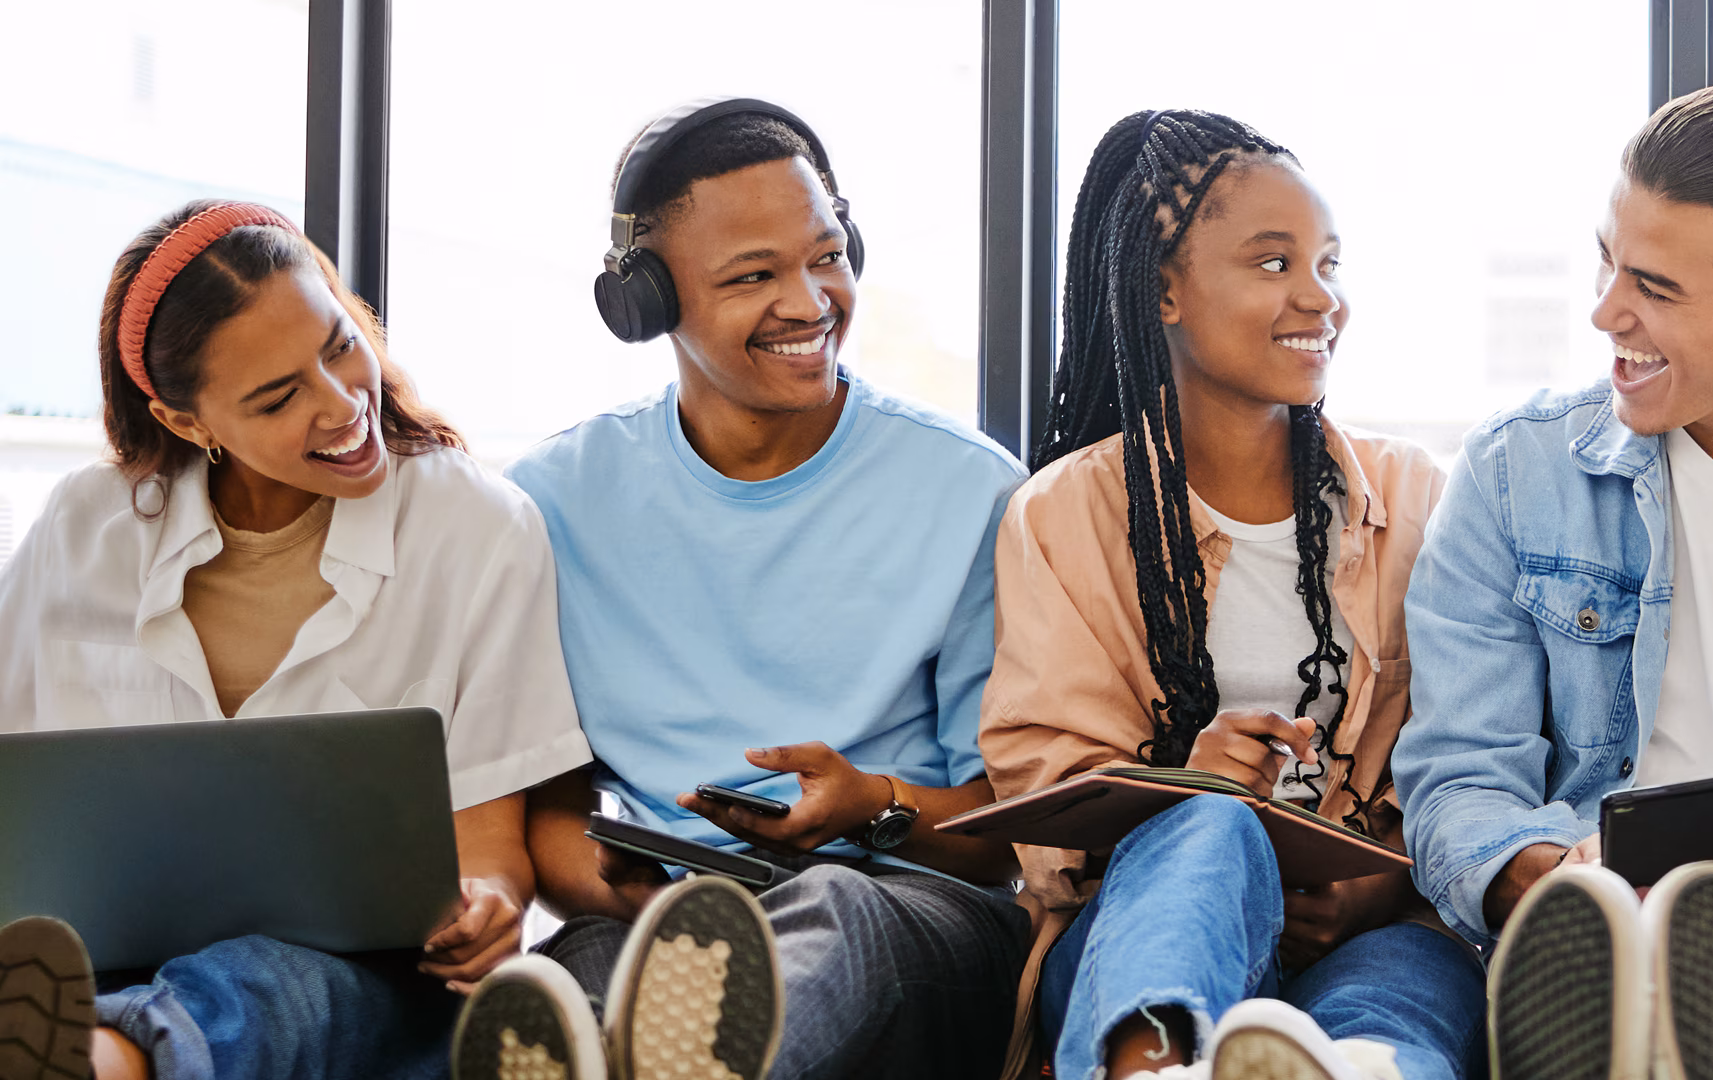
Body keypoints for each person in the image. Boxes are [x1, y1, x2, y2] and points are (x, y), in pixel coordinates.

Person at [456, 101, 1029, 1080]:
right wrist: (612, 884)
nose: (811, 302)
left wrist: (869, 804)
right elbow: (541, 813)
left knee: (832, 912)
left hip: (907, 907)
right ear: (645, 302)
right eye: (753, 277)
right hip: (666, 914)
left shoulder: (972, 490)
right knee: (570, 985)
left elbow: (1001, 841)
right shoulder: (553, 504)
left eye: (826, 256)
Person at [1394, 84, 1713, 1080]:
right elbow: (1459, 779)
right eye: (1606, 258)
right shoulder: (1516, 475)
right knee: (1598, 932)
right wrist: (1544, 873)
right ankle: (1667, 1024)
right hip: (1607, 918)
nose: (1604, 313)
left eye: (1655, 287)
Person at [0, 201, 592, 1080]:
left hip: (360, 981)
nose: (343, 402)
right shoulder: (86, 526)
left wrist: (489, 906)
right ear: (186, 424)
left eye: (337, 344)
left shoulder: (477, 528)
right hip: (105, 953)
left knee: (269, 983)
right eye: (278, 396)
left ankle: (108, 1060)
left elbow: (490, 845)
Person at [979, 109, 1482, 1080]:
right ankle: (1151, 1065)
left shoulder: (1415, 500)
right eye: (1272, 263)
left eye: (1329, 264)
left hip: (1369, 935)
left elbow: (1483, 755)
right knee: (1209, 829)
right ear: (1165, 290)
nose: (1319, 298)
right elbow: (1047, 817)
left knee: (1395, 1014)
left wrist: (1384, 888)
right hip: (1140, 933)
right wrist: (1186, 786)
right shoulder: (1065, 514)